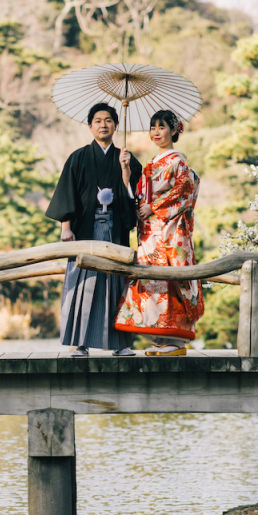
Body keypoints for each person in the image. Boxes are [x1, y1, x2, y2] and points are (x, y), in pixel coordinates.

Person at [46, 103, 142, 356]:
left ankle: (120, 344)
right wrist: (66, 227)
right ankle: (80, 343)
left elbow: (134, 195)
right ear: (90, 126)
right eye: (98, 120)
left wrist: (125, 169)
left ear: (116, 126)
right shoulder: (78, 158)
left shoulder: (127, 158)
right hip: (84, 228)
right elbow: (67, 193)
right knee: (82, 283)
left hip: (115, 228)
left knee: (116, 284)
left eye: (108, 120)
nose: (103, 124)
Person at [114, 108, 204, 356]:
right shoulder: (153, 163)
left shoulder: (177, 162)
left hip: (168, 230)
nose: (156, 132)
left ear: (175, 130)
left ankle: (176, 341)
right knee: (151, 281)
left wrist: (152, 207)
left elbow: (185, 192)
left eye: (161, 126)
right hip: (149, 232)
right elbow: (140, 195)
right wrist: (126, 172)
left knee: (170, 280)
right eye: (153, 127)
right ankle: (161, 339)